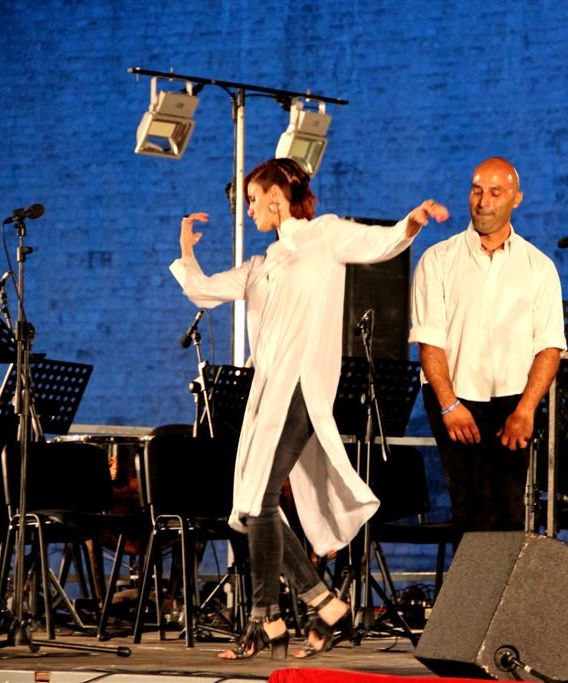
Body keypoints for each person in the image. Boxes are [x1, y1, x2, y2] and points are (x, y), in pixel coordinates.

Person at [170, 157, 448, 660]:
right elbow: (202, 290)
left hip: (301, 389)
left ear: (277, 197)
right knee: (252, 506)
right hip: (266, 396)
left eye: (253, 199)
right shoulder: (262, 265)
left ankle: (265, 619)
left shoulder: (324, 236)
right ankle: (324, 604)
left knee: (259, 500)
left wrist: (413, 220)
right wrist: (187, 251)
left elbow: (380, 243)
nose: (249, 209)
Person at [410, 156, 566, 536]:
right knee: (469, 515)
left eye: (495, 193)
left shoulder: (539, 267)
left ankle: (506, 581)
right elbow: (430, 343)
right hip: (454, 401)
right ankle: (471, 580)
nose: (483, 202)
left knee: (510, 514)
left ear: (516, 198)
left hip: (512, 403)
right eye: (477, 191)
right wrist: (449, 405)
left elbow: (549, 347)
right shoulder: (438, 260)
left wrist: (526, 410)